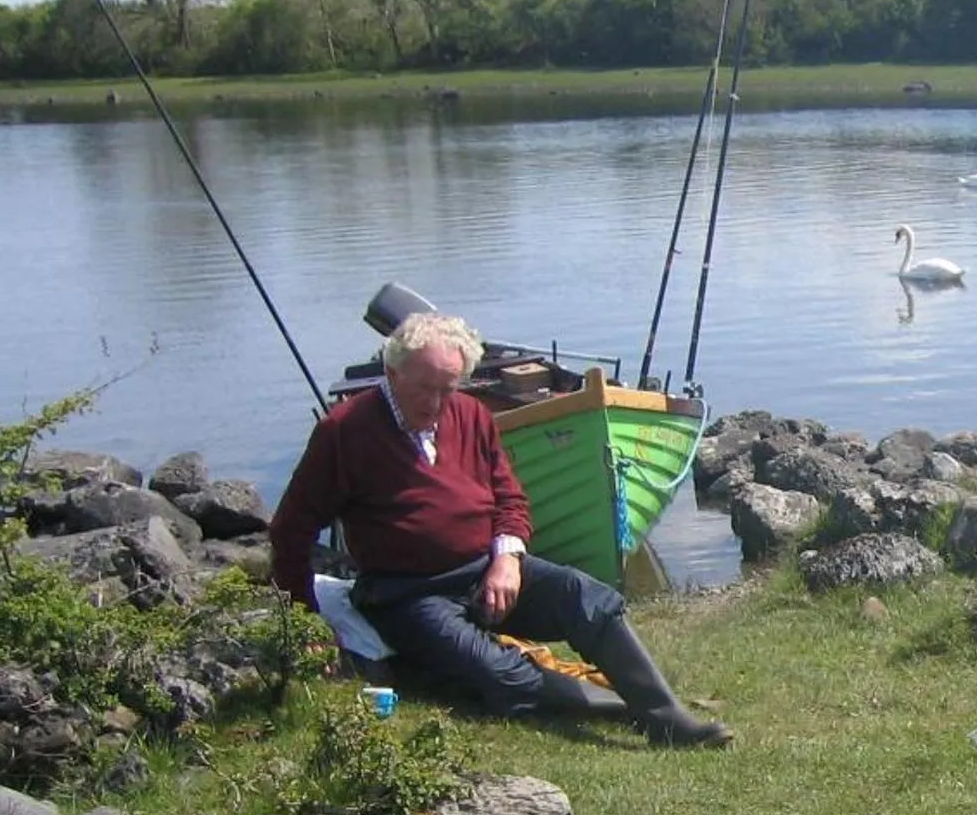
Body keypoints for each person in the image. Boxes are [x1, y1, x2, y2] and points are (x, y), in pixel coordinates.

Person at [267, 311, 730, 748]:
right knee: (496, 672)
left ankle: (665, 716)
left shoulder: (470, 414)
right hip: (408, 594)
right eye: (423, 388)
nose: (435, 403)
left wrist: (507, 560)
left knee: (584, 596)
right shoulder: (344, 432)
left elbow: (510, 500)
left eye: (447, 389)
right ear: (392, 374)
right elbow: (291, 532)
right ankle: (618, 708)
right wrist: (305, 622)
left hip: (487, 571)